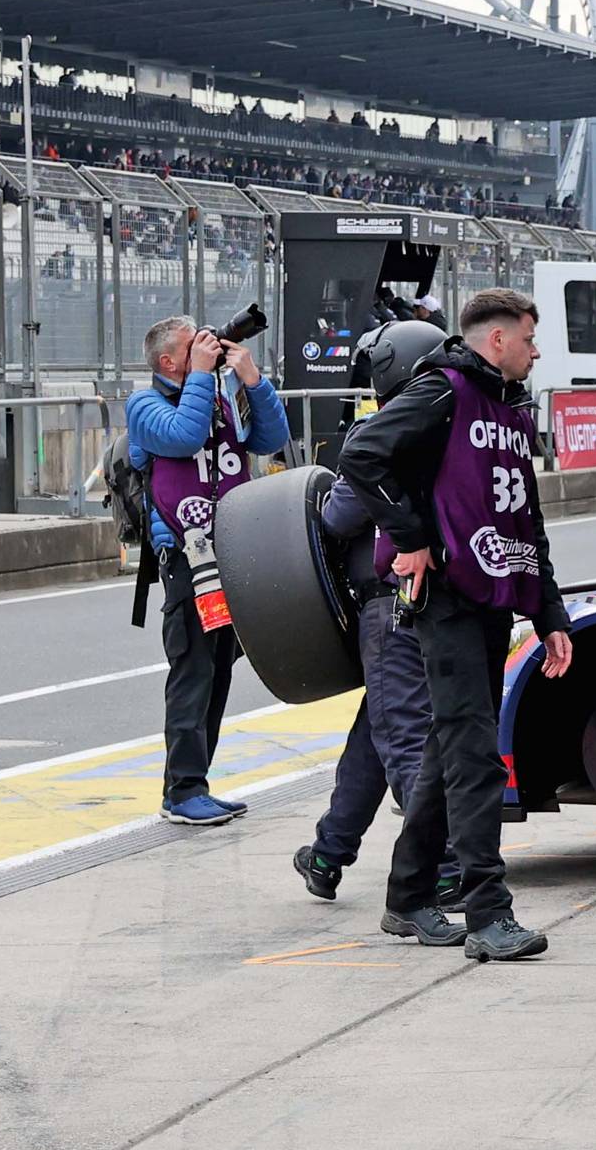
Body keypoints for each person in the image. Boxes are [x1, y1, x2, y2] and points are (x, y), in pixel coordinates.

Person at [337, 288, 575, 962]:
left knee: (449, 753)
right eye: (529, 339)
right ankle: (487, 913)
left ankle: (407, 897)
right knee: (473, 756)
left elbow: (524, 520)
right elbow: (363, 454)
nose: (536, 351)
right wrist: (409, 535)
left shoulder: (509, 410)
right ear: (495, 339)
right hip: (445, 599)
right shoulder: (443, 391)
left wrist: (547, 611)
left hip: (493, 599)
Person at [294, 320, 456, 904]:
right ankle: (329, 852)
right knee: (377, 732)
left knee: (405, 739)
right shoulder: (457, 425)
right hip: (440, 601)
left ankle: (441, 865)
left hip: (391, 607)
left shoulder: (385, 433)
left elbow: (337, 517)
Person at [126, 315, 291, 825]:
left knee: (220, 667)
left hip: (232, 550)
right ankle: (181, 790)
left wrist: (252, 381)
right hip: (185, 555)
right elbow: (183, 435)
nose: (207, 346)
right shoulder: (144, 406)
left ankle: (198, 781)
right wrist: (202, 376)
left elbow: (271, 439)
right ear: (168, 361)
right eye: (191, 344)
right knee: (193, 668)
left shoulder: (218, 395)